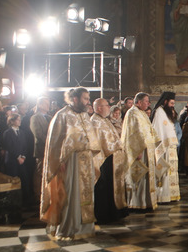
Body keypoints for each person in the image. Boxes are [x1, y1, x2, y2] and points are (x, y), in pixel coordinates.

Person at [40, 87, 103, 241]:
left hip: (85, 160)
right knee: (70, 194)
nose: (87, 102)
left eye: (88, 99)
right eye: (85, 99)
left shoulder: (85, 115)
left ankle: (84, 227)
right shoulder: (62, 115)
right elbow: (54, 143)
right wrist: (59, 161)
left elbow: (91, 138)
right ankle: (68, 227)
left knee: (86, 195)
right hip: (70, 162)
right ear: (75, 99)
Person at [91, 98, 129, 223]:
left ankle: (114, 211)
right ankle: (104, 215)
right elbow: (100, 142)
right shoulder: (95, 121)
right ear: (99, 108)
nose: (109, 107)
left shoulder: (103, 120)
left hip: (112, 159)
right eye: (107, 105)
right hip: (103, 160)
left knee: (111, 187)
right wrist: (117, 146)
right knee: (104, 188)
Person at [121, 92, 160, 211]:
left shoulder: (141, 113)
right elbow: (134, 133)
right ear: (138, 102)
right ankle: (137, 203)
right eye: (146, 101)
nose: (148, 103)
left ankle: (147, 202)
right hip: (140, 151)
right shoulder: (133, 113)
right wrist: (137, 150)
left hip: (147, 149)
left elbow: (149, 130)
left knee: (146, 178)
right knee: (139, 178)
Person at [150, 92, 181, 202]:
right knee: (164, 171)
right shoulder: (159, 112)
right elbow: (157, 130)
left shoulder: (166, 112)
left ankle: (172, 194)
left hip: (171, 147)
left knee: (172, 171)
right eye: (171, 103)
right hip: (164, 147)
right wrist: (161, 147)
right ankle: (163, 196)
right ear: (165, 101)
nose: (173, 105)